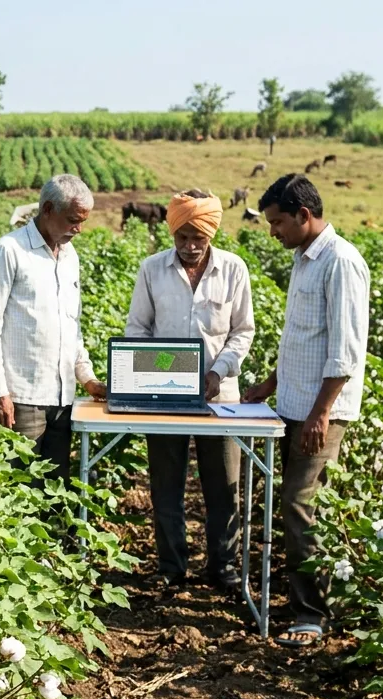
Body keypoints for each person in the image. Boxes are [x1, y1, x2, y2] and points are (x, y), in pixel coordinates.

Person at [242, 173, 369, 648]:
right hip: (294, 404)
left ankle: (313, 614)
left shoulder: (341, 262)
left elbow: (345, 351)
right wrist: (270, 384)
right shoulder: (304, 259)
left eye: (277, 223)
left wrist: (321, 413)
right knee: (290, 505)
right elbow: (301, 337)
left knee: (301, 505)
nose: (272, 231)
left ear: (304, 215)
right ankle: (300, 597)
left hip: (321, 412)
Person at [124, 191, 256, 591]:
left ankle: (223, 566)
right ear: (172, 232)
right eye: (182, 238)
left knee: (224, 487)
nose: (190, 247)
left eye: (198, 238)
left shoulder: (234, 269)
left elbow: (242, 331)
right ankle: (171, 567)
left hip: (221, 398)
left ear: (211, 233)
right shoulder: (152, 269)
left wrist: (217, 373)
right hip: (163, 396)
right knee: (166, 486)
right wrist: (147, 377)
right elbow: (138, 330)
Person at [0, 174, 107, 488]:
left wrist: (86, 377)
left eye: (83, 221)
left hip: (61, 398)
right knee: (19, 489)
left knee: (53, 490)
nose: (79, 229)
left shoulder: (70, 256)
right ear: (48, 209)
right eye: (73, 220)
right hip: (22, 397)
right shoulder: (9, 251)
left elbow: (70, 325)